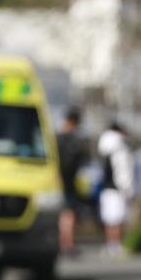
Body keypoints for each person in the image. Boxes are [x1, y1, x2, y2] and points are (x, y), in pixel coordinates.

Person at [96, 122, 134, 256]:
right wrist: (128, 190)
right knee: (117, 219)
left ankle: (110, 244)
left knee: (109, 220)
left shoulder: (104, 148)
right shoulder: (120, 148)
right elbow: (123, 173)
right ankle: (116, 245)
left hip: (105, 189)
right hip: (117, 189)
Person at [55, 108, 88, 256]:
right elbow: (81, 161)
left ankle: (63, 242)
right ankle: (67, 244)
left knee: (63, 213)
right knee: (68, 213)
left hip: (54, 180)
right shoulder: (74, 140)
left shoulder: (56, 137)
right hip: (68, 180)